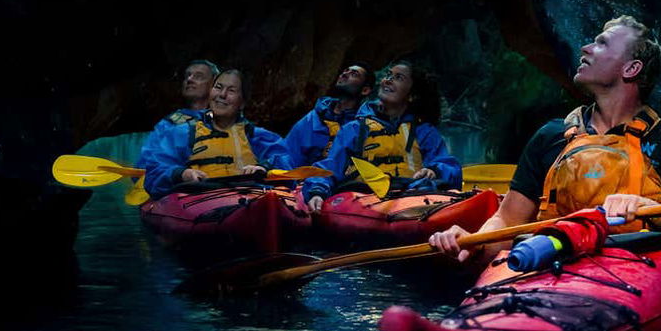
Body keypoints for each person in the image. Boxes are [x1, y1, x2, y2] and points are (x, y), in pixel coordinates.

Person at [430, 15, 661, 265]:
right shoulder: (551, 136)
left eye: (602, 43)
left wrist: (647, 208)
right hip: (548, 260)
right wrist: (474, 241)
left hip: (632, 266)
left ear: (631, 69)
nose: (586, 47)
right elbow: (507, 223)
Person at [301, 61, 461, 212]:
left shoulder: (423, 131)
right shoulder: (355, 128)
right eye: (388, 75)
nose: (388, 80)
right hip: (364, 198)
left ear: (411, 96)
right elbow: (331, 166)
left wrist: (434, 170)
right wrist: (317, 191)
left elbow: (447, 165)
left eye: (398, 78)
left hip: (413, 194)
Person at [144, 69, 292, 198]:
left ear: (242, 103)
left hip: (250, 196)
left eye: (231, 91)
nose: (222, 95)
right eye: (218, 87)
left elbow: (285, 161)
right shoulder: (183, 133)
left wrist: (264, 167)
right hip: (198, 197)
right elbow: (156, 169)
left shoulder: (259, 136)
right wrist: (181, 174)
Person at [283, 62, 376, 167]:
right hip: (297, 176)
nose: (344, 74)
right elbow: (289, 151)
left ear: (365, 90)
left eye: (354, 74)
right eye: (345, 71)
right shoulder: (315, 116)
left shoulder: (364, 125)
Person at [134, 59, 218, 171]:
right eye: (187, 76)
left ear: (214, 84)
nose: (189, 79)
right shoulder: (169, 123)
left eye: (198, 76)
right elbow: (144, 166)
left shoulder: (229, 120)